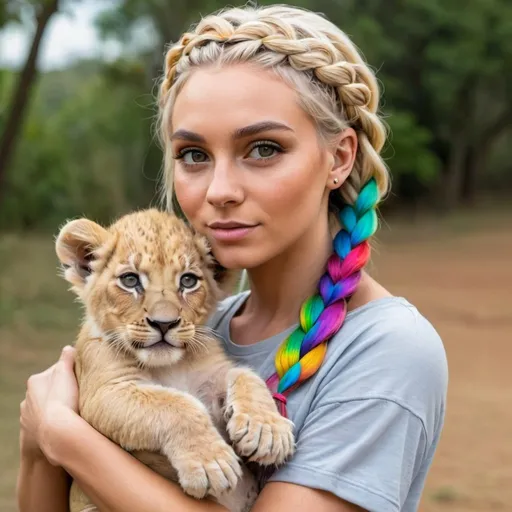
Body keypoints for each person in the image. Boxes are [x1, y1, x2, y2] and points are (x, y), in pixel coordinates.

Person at [17, 4, 448, 512]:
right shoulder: (199, 323)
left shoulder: (387, 349)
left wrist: (62, 434)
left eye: (263, 148)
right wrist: (37, 451)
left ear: (339, 157)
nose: (220, 191)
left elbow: (68, 436)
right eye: (194, 155)